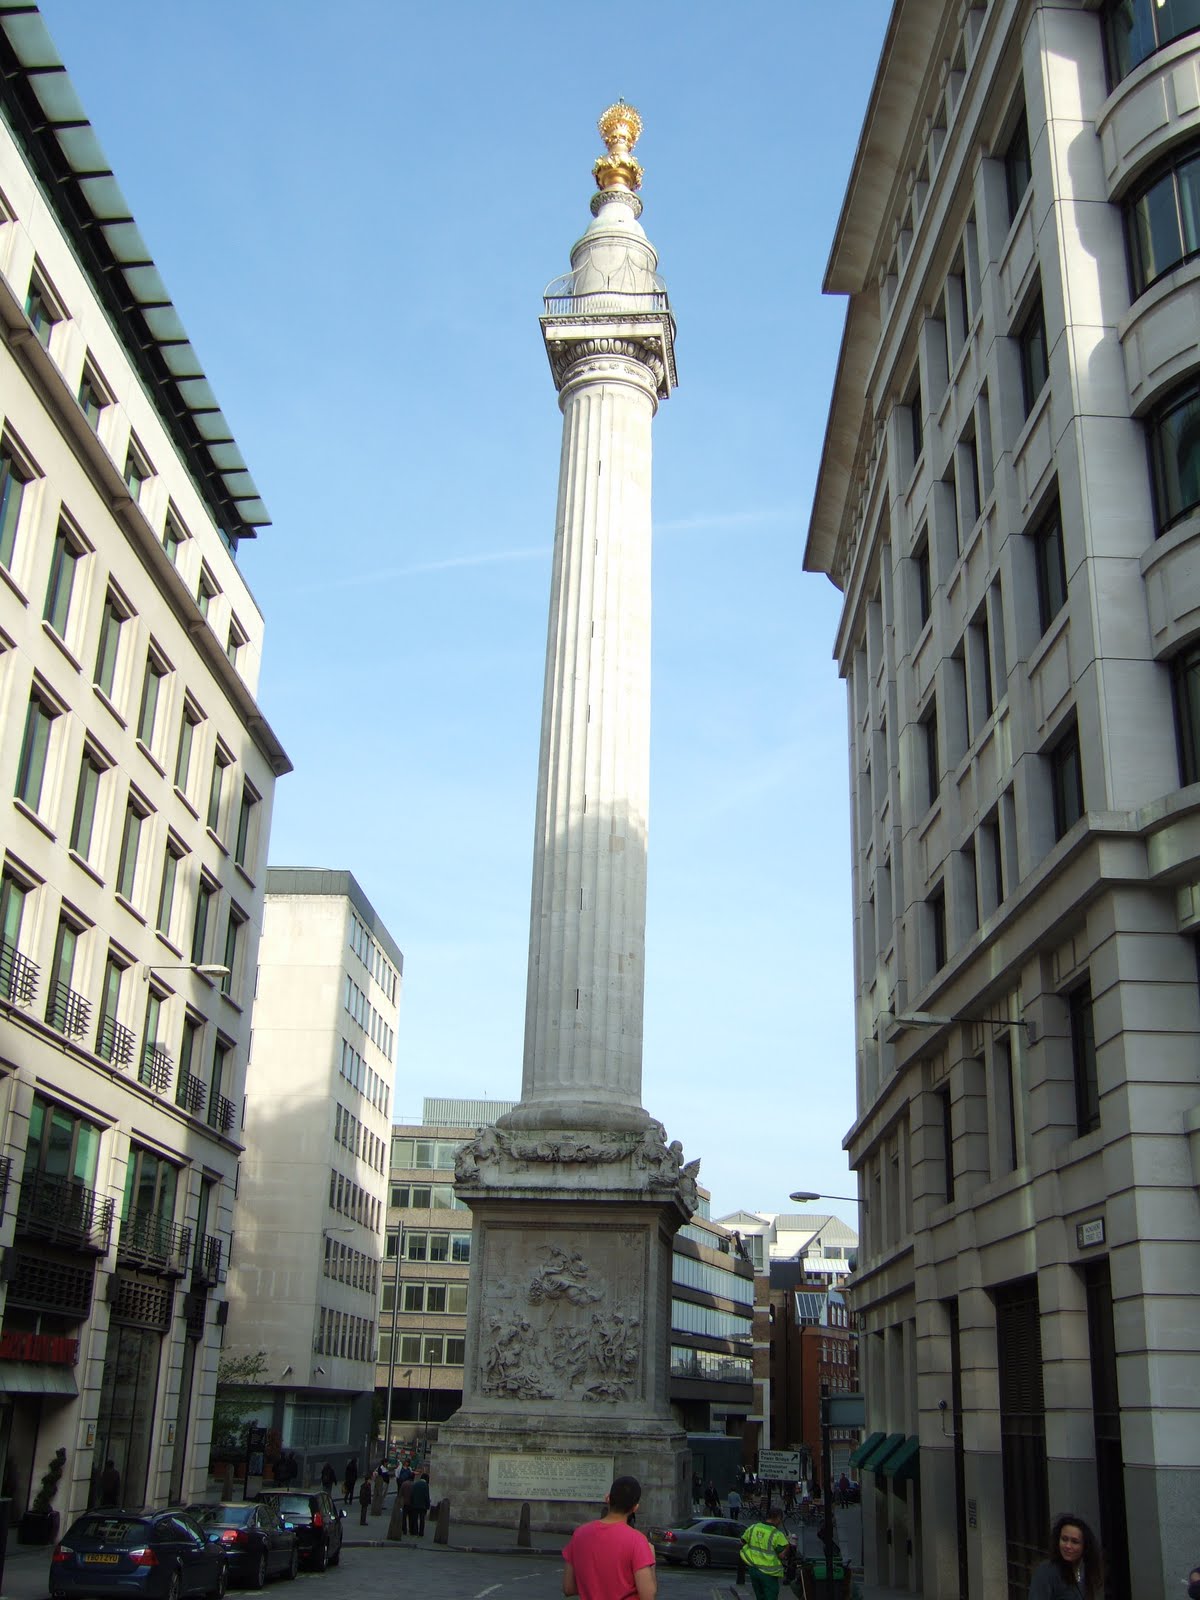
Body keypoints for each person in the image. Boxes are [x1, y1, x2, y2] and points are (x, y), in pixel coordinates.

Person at [562, 1475, 656, 1600]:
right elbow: (648, 1596)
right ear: (635, 1508)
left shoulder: (579, 1534)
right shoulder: (637, 1541)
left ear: (608, 1498)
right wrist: (651, 1561)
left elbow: (569, 1588)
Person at [1028, 1513, 1104, 1599]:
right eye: (1064, 1539)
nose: (1068, 1546)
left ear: (1085, 1546)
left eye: (1075, 1542)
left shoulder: (1085, 1570)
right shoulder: (1046, 1571)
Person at [740, 1506, 793, 1600]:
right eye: (781, 1520)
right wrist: (789, 1544)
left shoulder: (753, 1527)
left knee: (760, 1597)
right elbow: (782, 1555)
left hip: (753, 1569)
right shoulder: (777, 1534)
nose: (780, 1522)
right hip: (769, 1573)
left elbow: (742, 1542)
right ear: (777, 1518)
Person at [409, 1470, 431, 1537]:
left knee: (415, 1519)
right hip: (422, 1505)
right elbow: (427, 1496)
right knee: (422, 1519)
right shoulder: (426, 1485)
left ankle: (415, 1531)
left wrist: (412, 1503)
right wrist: (428, 1505)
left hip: (415, 1504)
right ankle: (421, 1532)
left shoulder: (415, 1484)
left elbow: (412, 1494)